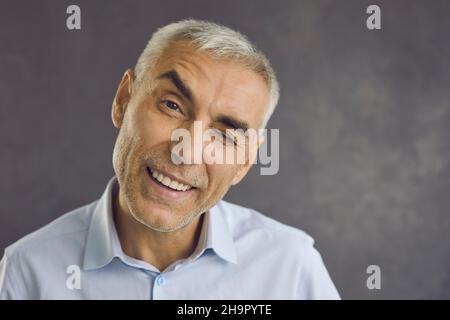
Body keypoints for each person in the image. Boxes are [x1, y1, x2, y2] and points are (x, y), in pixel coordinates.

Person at [0, 19, 339, 299]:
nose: (187, 150)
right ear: (123, 99)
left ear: (246, 161)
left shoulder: (291, 267)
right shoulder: (27, 271)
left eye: (225, 134)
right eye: (172, 105)